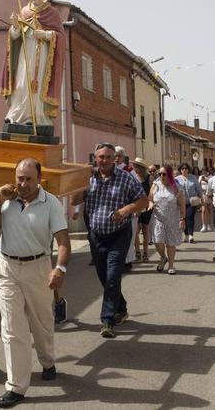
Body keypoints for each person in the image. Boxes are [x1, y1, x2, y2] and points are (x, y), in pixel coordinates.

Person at [0, 159, 70, 408]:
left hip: (38, 267)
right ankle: (16, 387)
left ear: (39, 179)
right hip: (7, 267)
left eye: (28, 179)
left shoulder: (50, 202)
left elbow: (63, 241)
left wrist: (60, 268)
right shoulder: (6, 201)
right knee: (12, 328)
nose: (22, 183)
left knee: (42, 323)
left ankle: (47, 361)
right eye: (19, 178)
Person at [71, 143, 148, 338]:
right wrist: (81, 182)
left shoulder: (125, 179)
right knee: (105, 278)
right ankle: (121, 308)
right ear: (95, 159)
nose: (104, 160)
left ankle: (107, 320)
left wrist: (125, 210)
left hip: (119, 235)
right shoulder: (89, 178)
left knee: (113, 276)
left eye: (108, 157)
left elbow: (144, 201)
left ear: (115, 159)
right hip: (96, 236)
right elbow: (73, 201)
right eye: (100, 157)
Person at [0, 0, 66, 127]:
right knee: (21, 84)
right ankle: (16, 115)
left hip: (42, 55)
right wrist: (15, 26)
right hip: (25, 54)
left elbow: (61, 37)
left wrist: (46, 34)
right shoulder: (24, 11)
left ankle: (35, 117)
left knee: (35, 85)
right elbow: (15, 37)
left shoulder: (52, 13)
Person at [148, 164, 187, 274]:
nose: (161, 176)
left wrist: (182, 218)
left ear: (169, 175)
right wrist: (150, 204)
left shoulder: (177, 187)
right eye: (159, 174)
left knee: (170, 243)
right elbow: (150, 198)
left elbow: (182, 205)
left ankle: (171, 265)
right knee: (157, 240)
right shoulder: (156, 184)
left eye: (164, 174)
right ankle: (163, 257)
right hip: (157, 218)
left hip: (172, 219)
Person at [131, 157, 153, 262]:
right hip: (136, 207)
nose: (134, 168)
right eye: (134, 166)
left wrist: (146, 205)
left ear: (141, 168)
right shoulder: (132, 178)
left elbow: (151, 194)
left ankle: (145, 253)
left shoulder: (149, 178)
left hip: (147, 207)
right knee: (135, 231)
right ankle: (137, 252)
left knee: (145, 231)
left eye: (136, 166)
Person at [175, 163, 203, 243]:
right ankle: (186, 234)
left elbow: (198, 189)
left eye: (186, 168)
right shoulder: (176, 179)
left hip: (192, 201)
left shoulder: (193, 178)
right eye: (183, 168)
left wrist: (202, 199)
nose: (184, 170)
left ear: (188, 169)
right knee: (183, 218)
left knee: (189, 217)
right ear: (180, 170)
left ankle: (191, 235)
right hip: (181, 202)